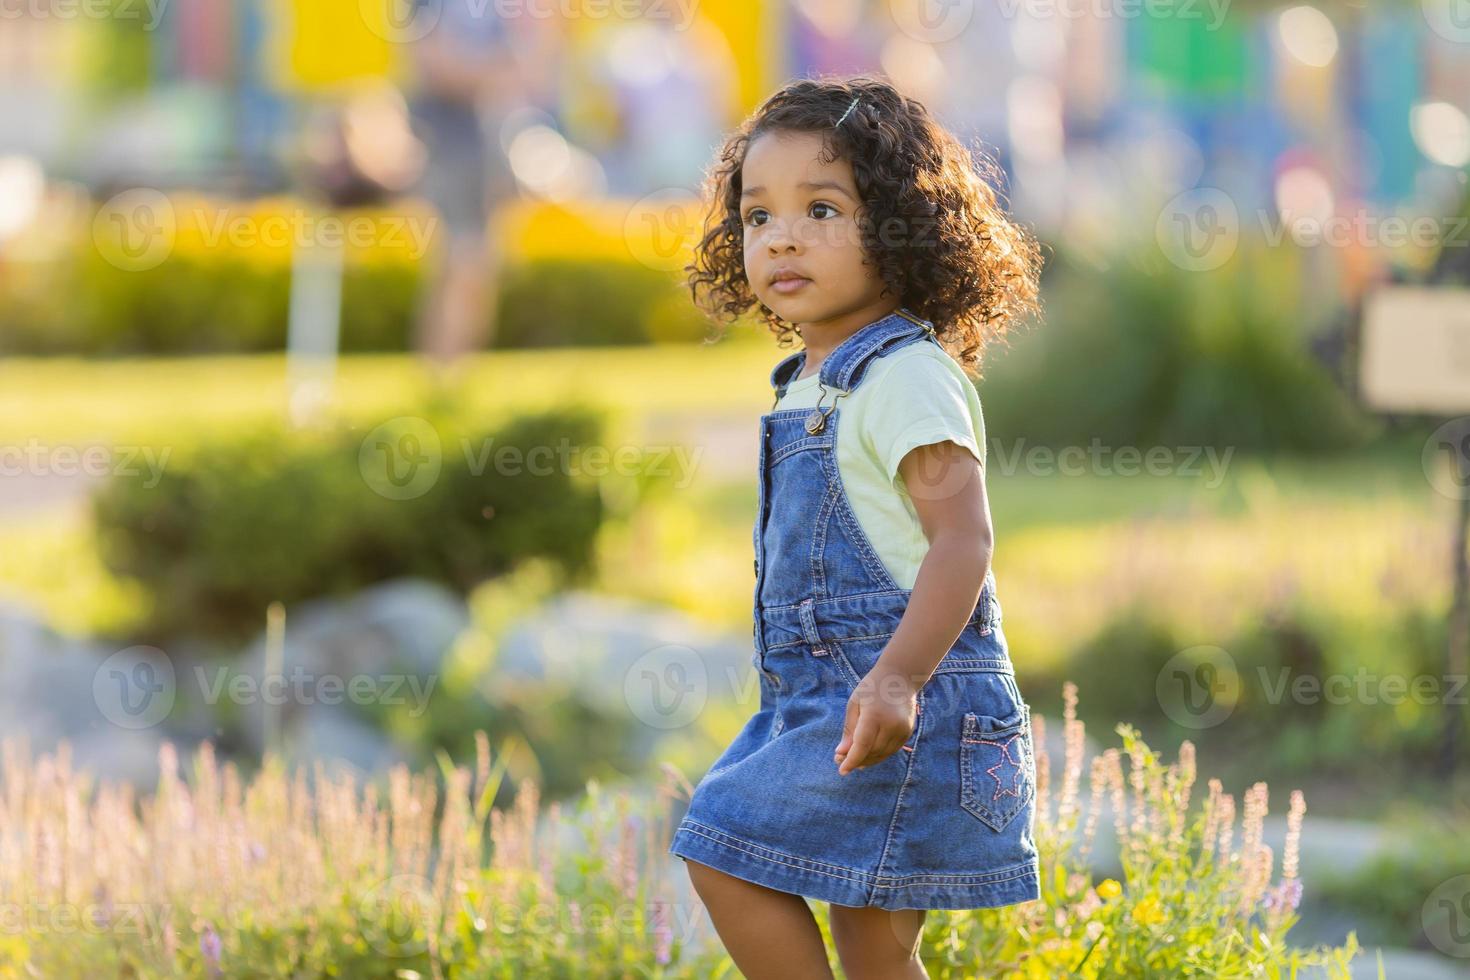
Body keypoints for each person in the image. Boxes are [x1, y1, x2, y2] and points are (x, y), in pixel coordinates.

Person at [667, 75, 1045, 978]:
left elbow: (965, 543)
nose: (784, 235)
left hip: (904, 702)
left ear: (905, 228)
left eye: (823, 208)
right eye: (758, 217)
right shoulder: (810, 380)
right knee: (873, 953)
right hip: (826, 704)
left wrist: (896, 681)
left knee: (720, 845)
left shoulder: (905, 376)